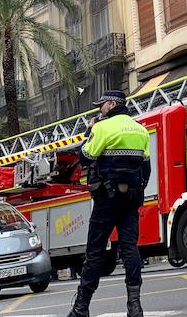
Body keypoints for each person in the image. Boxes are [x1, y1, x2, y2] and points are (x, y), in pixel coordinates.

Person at [67, 90, 150, 317]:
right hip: (131, 199)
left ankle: (81, 308)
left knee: (95, 253)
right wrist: (136, 192)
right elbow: (146, 169)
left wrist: (89, 131)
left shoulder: (102, 128)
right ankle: (135, 306)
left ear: (112, 104)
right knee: (130, 249)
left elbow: (85, 156)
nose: (99, 109)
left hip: (106, 199)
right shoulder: (140, 130)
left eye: (101, 105)